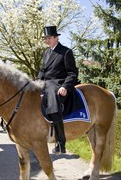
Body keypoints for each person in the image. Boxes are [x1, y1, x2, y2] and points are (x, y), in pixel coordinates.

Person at [37, 25, 79, 154]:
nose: (46, 41)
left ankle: (61, 142)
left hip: (58, 84)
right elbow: (42, 71)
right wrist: (35, 82)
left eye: (49, 38)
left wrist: (65, 87)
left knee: (52, 97)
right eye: (45, 38)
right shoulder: (46, 52)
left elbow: (72, 73)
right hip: (45, 83)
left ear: (56, 38)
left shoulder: (66, 52)